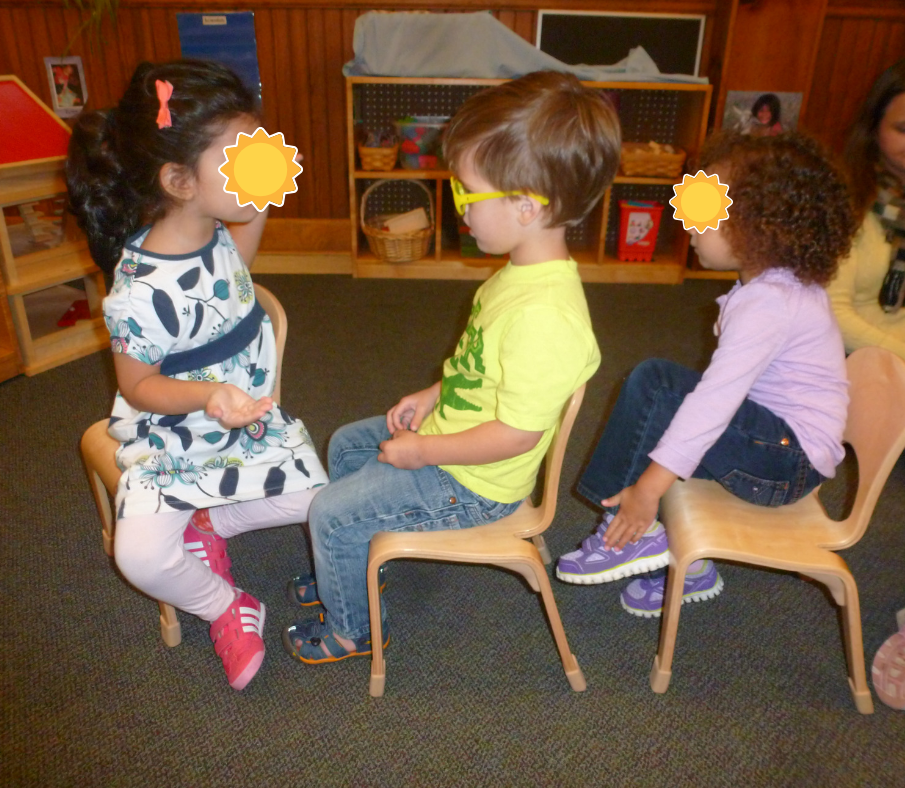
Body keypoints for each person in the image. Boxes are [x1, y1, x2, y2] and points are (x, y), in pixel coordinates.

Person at [280, 70, 621, 663]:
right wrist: (434, 393)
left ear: (524, 206)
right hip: (456, 441)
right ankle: (353, 569)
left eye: (466, 192)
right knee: (347, 446)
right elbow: (481, 366)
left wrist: (425, 452)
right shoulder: (519, 275)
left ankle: (352, 631)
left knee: (329, 512)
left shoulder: (546, 317)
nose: (455, 204)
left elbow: (517, 433)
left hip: (477, 483)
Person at [66, 60, 328, 690]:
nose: (252, 165)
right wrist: (209, 395)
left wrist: (259, 196)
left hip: (245, 418)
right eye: (238, 158)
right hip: (175, 429)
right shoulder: (136, 289)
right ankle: (223, 605)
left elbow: (234, 271)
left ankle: (210, 522)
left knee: (319, 503)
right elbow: (136, 386)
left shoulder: (217, 228)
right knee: (139, 557)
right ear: (180, 180)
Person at [556, 131, 856, 618]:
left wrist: (647, 490)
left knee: (659, 387)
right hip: (779, 446)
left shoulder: (769, 304)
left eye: (707, 209)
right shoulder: (774, 287)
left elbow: (714, 402)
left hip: (785, 463)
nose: (688, 222)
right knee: (666, 403)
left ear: (760, 227)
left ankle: (628, 524)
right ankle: (678, 565)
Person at [827, 60, 905, 360]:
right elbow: (833, 314)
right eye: (903, 129)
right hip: (858, 361)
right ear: (874, 127)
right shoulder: (843, 201)